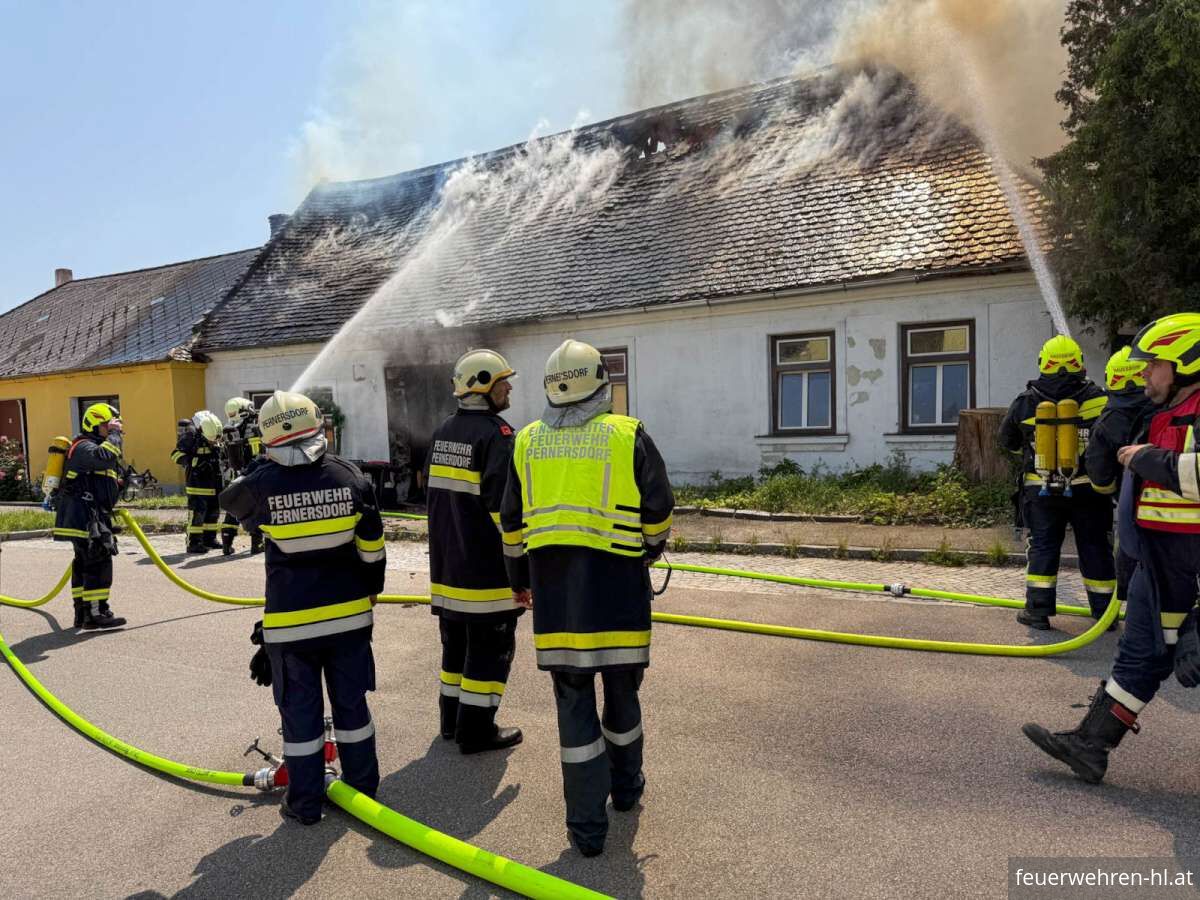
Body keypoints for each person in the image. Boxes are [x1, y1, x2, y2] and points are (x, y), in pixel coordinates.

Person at [500, 339, 674, 857]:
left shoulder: (526, 442)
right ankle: (626, 791)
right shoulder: (629, 435)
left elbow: (511, 525)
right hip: (620, 597)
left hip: (558, 606)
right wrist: (648, 549)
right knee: (623, 696)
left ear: (552, 389)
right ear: (601, 383)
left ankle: (586, 832)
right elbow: (659, 511)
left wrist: (519, 577)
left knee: (573, 708)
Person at [1023, 313, 1200, 783]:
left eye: (1153, 365)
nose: (1142, 374)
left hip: (1192, 573)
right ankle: (1090, 745)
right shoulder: (1163, 413)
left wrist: (1148, 459)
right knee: (1139, 657)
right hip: (1158, 567)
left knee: (1189, 659)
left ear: (1186, 361)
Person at [220, 390, 386, 824]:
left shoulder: (259, 486)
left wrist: (259, 465)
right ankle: (363, 794)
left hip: (291, 628)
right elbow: (373, 549)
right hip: (350, 618)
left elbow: (229, 501)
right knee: (352, 708)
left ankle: (305, 803)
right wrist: (372, 589)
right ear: (318, 425)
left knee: (301, 717)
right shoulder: (351, 477)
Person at [426, 349, 524, 754]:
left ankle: (451, 722)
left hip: (448, 570)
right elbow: (505, 512)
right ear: (483, 387)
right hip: (486, 574)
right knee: (490, 652)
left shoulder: (444, 430)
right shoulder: (497, 436)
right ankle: (477, 731)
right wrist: (522, 571)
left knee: (456, 647)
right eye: (503, 382)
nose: (509, 388)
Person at [999, 335, 1114, 629]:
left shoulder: (1026, 402)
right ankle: (1104, 614)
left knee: (1044, 546)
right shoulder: (1100, 399)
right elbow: (1113, 438)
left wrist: (1033, 451)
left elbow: (1007, 441)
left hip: (1042, 489)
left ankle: (1037, 612)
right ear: (1080, 364)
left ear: (1043, 364)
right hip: (1089, 489)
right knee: (1095, 546)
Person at [1084, 346, 1155, 610]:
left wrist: (1110, 490)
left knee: (1130, 555)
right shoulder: (1164, 409)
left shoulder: (1108, 420)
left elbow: (1097, 467)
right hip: (1173, 507)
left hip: (1130, 504)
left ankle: (1137, 610)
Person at [52, 402, 127, 629]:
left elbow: (101, 475)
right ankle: (97, 612)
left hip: (88, 515)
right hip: (84, 515)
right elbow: (104, 457)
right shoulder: (83, 446)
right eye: (107, 426)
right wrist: (114, 435)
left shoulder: (92, 447)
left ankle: (83, 614)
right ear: (94, 424)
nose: (112, 430)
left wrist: (120, 484)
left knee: (85, 562)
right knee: (98, 561)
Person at [172, 410, 224, 553]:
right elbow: (175, 455)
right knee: (197, 514)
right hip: (197, 485)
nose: (213, 442)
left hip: (214, 483)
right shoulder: (190, 437)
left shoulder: (213, 433)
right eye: (211, 439)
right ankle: (193, 543)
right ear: (202, 430)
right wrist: (195, 462)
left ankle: (209, 539)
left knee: (213, 513)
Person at [218, 397, 265, 555]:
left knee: (233, 509)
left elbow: (224, 455)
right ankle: (256, 545)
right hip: (253, 475)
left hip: (234, 476)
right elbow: (260, 452)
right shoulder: (254, 427)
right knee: (256, 509)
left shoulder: (229, 428)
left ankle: (226, 545)